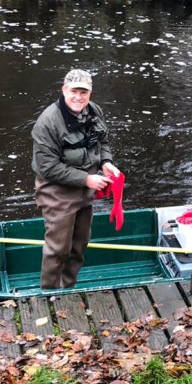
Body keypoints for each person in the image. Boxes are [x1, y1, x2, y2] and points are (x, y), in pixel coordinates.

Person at [31, 69, 120, 289]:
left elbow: (103, 142)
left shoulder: (94, 111)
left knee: (79, 245)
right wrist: (87, 179)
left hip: (83, 193)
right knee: (58, 249)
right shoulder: (47, 123)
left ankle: (68, 288)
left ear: (90, 93)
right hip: (56, 193)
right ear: (64, 90)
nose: (78, 97)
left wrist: (105, 162)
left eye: (84, 91)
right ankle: (50, 294)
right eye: (74, 91)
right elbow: (47, 167)